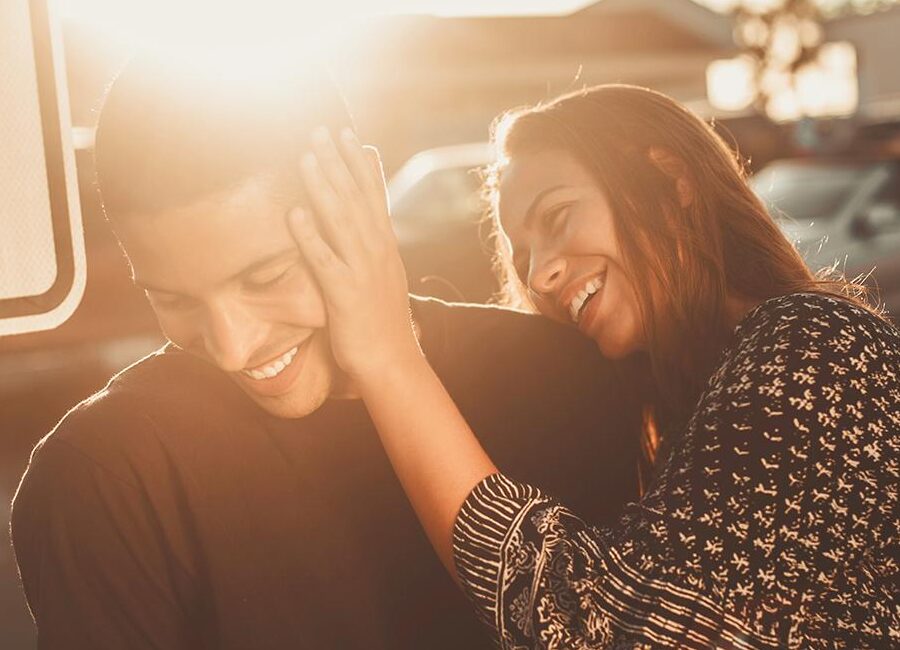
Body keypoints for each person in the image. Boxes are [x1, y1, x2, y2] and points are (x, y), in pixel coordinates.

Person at [10, 55, 645, 649]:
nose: (231, 348)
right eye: (173, 299)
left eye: (266, 278)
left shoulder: (561, 381)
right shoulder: (102, 477)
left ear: (362, 195)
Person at [291, 84, 899, 648]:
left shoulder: (816, 344)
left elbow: (614, 626)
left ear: (670, 179)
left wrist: (389, 355)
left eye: (556, 218)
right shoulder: (680, 409)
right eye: (522, 255)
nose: (538, 275)